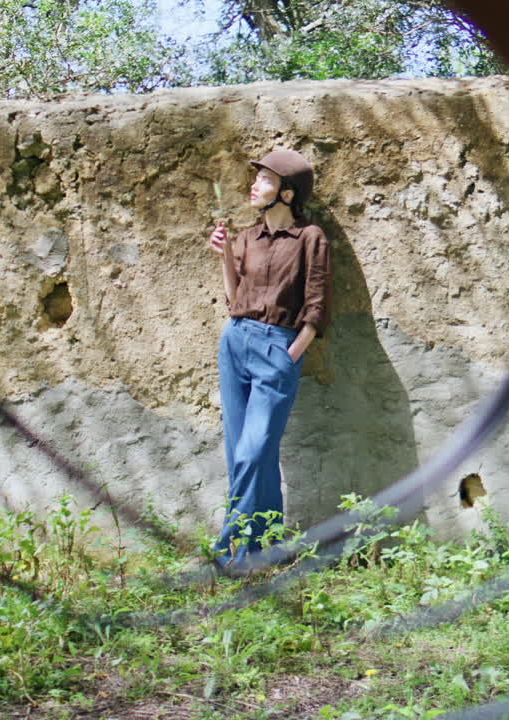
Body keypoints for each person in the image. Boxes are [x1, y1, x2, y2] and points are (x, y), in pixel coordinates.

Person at [206, 149, 331, 569]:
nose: (253, 186)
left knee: (254, 451)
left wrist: (291, 354)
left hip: (278, 346)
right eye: (255, 179)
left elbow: (316, 306)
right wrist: (224, 255)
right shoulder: (246, 238)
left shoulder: (310, 237)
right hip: (235, 340)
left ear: (288, 194)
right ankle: (264, 547)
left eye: (264, 180)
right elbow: (232, 296)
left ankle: (229, 555)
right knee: (240, 452)